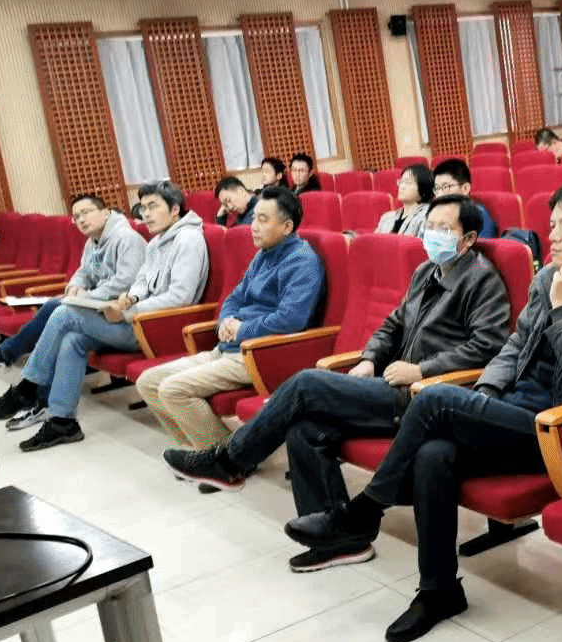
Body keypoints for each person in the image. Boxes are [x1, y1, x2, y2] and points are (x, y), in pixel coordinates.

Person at [285, 181, 562, 642]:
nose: (552, 236)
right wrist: (483, 400)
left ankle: (363, 512)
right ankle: (439, 590)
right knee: (434, 454)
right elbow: (514, 346)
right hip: (515, 412)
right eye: (552, 224)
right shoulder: (549, 277)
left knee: (435, 399)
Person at [161, 195, 512, 523]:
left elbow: (487, 345)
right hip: (390, 381)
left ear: (468, 239)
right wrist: (370, 359)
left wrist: (421, 370)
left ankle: (229, 461)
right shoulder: (426, 272)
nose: (432, 234)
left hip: (424, 396)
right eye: (430, 226)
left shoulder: (482, 280)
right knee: (304, 429)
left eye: (444, 229)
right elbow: (393, 324)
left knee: (306, 383)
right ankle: (333, 532)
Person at [0, 181, 209, 451]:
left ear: (175, 209)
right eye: (143, 207)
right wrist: (130, 298)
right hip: (138, 320)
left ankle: (28, 389)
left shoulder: (188, 240)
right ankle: (62, 422)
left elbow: (180, 297)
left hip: (160, 329)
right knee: (73, 340)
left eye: (153, 206)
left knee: (65, 313)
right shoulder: (157, 241)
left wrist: (129, 311)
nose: (146, 214)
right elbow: (141, 282)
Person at [137, 186, 323, 453]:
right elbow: (235, 297)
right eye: (254, 218)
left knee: (172, 390)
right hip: (229, 347)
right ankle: (197, 450)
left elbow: (291, 319)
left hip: (259, 353)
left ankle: (228, 457)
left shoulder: (303, 261)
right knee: (148, 382)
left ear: (286, 227)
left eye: (263, 220)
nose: (253, 227)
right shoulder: (263, 255)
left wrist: (242, 329)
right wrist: (225, 321)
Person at [0, 195, 146, 398]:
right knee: (56, 314)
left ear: (105, 213)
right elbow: (84, 271)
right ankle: (32, 386)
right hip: (102, 309)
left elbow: (125, 282)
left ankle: (9, 358)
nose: (81, 220)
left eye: (86, 212)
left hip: (125, 318)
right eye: (76, 216)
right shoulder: (92, 242)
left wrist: (86, 297)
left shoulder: (128, 239)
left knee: (56, 310)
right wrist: (74, 287)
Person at [431, 159, 497, 238]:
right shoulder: (435, 215)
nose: (439, 195)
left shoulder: (481, 217)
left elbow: (482, 244)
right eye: (437, 188)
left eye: (446, 187)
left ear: (465, 188)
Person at [377, 164, 433, 237]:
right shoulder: (387, 218)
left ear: (423, 187)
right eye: (401, 181)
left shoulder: (428, 217)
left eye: (408, 182)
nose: (402, 186)